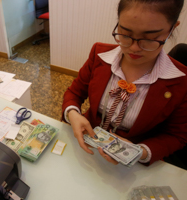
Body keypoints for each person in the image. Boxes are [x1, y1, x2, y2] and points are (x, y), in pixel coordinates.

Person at [62, 0, 187, 166]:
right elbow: (75, 93)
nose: (134, 48)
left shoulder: (181, 81)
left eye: (150, 38)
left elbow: (177, 135)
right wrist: (73, 113)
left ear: (172, 30)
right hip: (86, 146)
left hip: (132, 166)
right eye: (125, 34)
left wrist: (139, 152)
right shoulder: (99, 53)